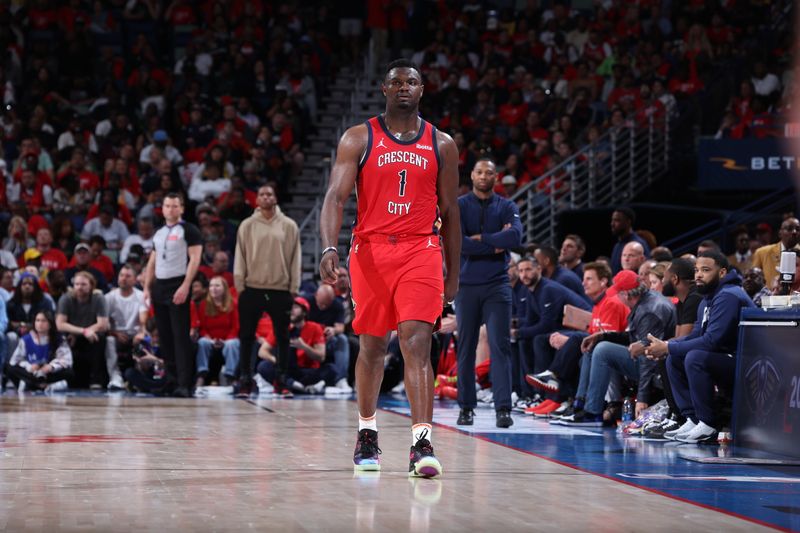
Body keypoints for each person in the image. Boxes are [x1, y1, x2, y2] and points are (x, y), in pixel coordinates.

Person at [319, 59, 460, 478]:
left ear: (422, 89)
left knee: (417, 342)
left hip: (421, 249)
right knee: (373, 346)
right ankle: (367, 432)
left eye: (412, 81)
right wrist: (329, 246)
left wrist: (453, 273)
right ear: (383, 89)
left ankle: (422, 444)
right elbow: (334, 197)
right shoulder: (359, 136)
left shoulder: (442, 143)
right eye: (396, 81)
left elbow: (450, 212)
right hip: (371, 251)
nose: (404, 87)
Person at [646, 251, 756, 443]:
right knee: (674, 358)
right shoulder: (708, 297)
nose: (698, 275)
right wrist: (667, 346)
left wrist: (668, 347)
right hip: (725, 357)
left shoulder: (728, 295)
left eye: (705, 270)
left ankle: (708, 423)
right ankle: (693, 418)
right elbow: (696, 334)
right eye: (696, 270)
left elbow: (712, 341)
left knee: (694, 357)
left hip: (746, 361)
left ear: (722, 272)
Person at [455, 158, 522, 428]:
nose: (484, 176)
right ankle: (466, 407)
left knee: (500, 346)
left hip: (498, 285)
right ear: (472, 175)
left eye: (489, 172)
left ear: (496, 177)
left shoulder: (507, 206)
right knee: (466, 348)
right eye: (479, 171)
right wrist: (494, 243)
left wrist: (481, 239)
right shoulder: (460, 205)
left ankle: (503, 409)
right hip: (466, 286)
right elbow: (457, 243)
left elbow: (515, 238)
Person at [233, 184, 301, 397]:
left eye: (269, 194)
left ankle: (281, 380)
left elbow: (295, 258)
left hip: (280, 289)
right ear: (257, 200)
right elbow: (240, 256)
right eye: (261, 194)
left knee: (282, 338)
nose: (265, 197)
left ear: (275, 198)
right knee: (246, 337)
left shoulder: (289, 225)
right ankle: (245, 379)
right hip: (252, 288)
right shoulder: (247, 225)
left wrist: (294, 287)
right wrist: (239, 285)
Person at [143, 193, 203, 398]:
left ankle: (185, 383)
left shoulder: (190, 230)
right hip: (160, 286)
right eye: (167, 206)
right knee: (165, 337)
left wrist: (186, 285)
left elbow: (195, 259)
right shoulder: (159, 233)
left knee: (180, 337)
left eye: (174, 206)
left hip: (178, 284)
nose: (170, 209)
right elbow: (153, 260)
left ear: (182, 208)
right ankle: (171, 380)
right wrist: (146, 287)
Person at [256, 296, 334, 394]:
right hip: (286, 369)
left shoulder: (315, 327)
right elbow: (262, 351)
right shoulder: (281, 327)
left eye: (296, 307)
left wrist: (304, 346)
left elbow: (321, 357)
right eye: (290, 307)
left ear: (304, 312)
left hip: (307, 370)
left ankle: (290, 385)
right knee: (263, 366)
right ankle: (298, 386)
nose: (291, 310)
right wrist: (276, 361)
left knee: (330, 369)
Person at [55, 271, 109, 389]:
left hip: (91, 337)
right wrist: (83, 332)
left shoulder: (98, 298)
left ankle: (96, 379)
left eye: (83, 284)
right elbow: (60, 324)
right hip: (72, 336)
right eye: (77, 284)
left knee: (100, 338)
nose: (79, 287)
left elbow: (103, 324)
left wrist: (84, 332)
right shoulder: (66, 298)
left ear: (91, 286)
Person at [5, 311, 73, 392]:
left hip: (49, 373)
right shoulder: (26, 339)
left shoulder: (59, 339)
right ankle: (41, 385)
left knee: (69, 372)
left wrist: (51, 367)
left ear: (50, 323)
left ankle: (31, 384)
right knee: (9, 368)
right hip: (31, 373)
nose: (40, 323)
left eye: (43, 321)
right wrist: (29, 366)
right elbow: (15, 360)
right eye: (37, 320)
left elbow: (67, 360)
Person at [105, 265, 148, 390]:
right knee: (109, 340)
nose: (124, 279)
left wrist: (140, 332)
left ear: (135, 280)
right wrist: (115, 333)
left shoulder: (141, 296)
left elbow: (143, 319)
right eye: (121, 275)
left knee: (143, 339)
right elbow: (103, 322)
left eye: (128, 276)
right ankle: (115, 377)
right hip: (116, 334)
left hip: (134, 334)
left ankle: (139, 377)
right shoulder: (109, 297)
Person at [191, 276, 240, 387]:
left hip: (228, 339)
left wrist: (225, 340)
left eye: (217, 285)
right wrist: (210, 339)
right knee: (202, 342)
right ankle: (201, 375)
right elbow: (202, 328)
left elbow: (235, 327)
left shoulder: (233, 304)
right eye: (211, 286)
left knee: (232, 344)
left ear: (224, 289)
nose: (213, 288)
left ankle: (230, 377)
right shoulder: (204, 305)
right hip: (210, 339)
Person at [751, 217, 800, 288]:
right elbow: (753, 278)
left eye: (798, 229)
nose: (794, 232)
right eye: (789, 229)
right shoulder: (762, 252)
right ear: (780, 233)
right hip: (769, 296)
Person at [610, 207, 650, 273]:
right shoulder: (617, 246)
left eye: (617, 220)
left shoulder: (638, 244)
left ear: (628, 222)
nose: (612, 224)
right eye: (612, 220)